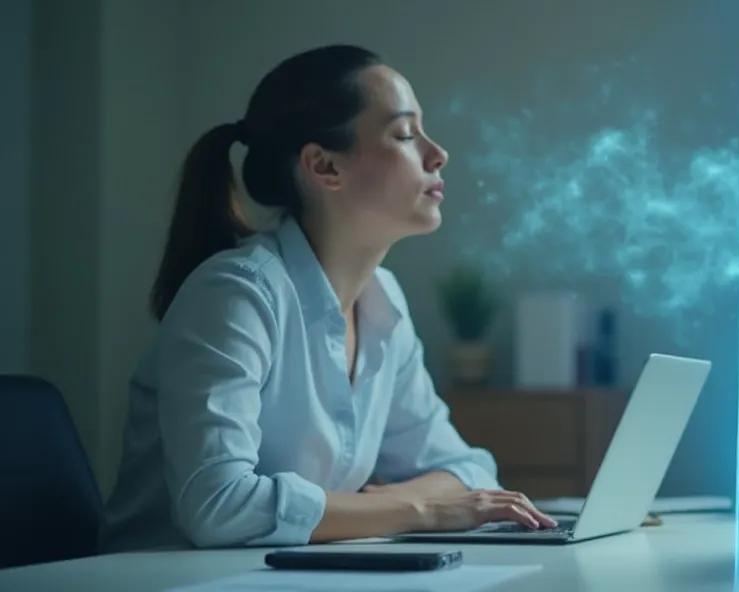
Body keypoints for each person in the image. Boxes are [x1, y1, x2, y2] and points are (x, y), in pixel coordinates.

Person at [102, 45, 556, 551]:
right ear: (323, 166)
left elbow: (470, 470)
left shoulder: (383, 301)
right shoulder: (236, 295)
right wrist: (422, 508)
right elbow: (217, 505)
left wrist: (381, 507)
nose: (437, 153)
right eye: (405, 134)